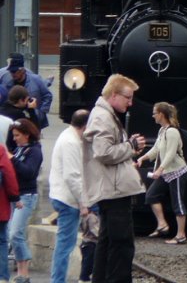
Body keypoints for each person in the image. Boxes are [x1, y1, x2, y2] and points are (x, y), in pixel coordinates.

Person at [83, 74, 146, 283]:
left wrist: (128, 145)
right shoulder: (102, 116)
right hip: (114, 189)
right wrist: (131, 147)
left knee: (108, 240)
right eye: (128, 97)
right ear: (113, 95)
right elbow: (103, 152)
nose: (131, 102)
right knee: (122, 243)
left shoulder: (104, 114)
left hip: (112, 187)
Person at [136, 102, 187, 245]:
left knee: (177, 202)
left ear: (161, 114)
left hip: (176, 171)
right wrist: (143, 158)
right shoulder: (162, 131)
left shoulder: (172, 132)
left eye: (154, 113)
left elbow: (171, 154)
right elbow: (156, 149)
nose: (153, 116)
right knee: (151, 195)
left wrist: (160, 169)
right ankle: (162, 224)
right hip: (166, 172)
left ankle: (181, 235)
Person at [49, 109, 90, 283]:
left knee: (65, 243)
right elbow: (72, 176)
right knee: (65, 245)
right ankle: (58, 280)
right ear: (86, 125)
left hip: (64, 196)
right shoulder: (71, 142)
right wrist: (83, 202)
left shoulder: (69, 136)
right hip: (68, 199)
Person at [8, 118, 43, 283]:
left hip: (27, 196)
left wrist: (12, 160)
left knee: (16, 233)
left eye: (17, 135)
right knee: (13, 233)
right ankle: (22, 272)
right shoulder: (19, 149)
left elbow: (29, 173)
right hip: (15, 196)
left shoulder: (34, 151)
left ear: (27, 135)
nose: (14, 139)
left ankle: (25, 270)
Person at [0, 54, 52, 129]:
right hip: (14, 119)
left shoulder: (36, 80)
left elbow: (47, 96)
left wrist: (41, 112)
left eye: (14, 71)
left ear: (22, 70)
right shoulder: (6, 80)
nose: (12, 74)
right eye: (11, 71)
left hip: (32, 118)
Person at [0, 138, 19, 283]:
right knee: (1, 241)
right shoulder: (0, 150)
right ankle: (2, 277)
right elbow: (9, 174)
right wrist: (14, 197)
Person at [78, 208, 99, 283]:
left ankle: (83, 277)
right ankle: (84, 278)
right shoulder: (92, 217)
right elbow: (94, 230)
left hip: (85, 242)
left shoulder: (85, 216)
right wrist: (101, 236)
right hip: (91, 242)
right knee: (89, 262)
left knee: (85, 262)